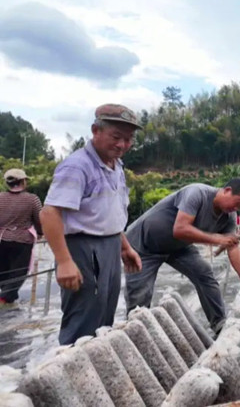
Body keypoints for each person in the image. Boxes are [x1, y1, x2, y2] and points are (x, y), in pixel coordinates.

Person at [40, 104, 143, 345]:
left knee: (105, 313)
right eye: (116, 137)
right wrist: (65, 262)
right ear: (95, 130)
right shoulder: (77, 166)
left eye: (128, 139)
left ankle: (97, 371)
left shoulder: (116, 166)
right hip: (82, 249)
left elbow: (108, 213)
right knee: (83, 318)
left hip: (109, 246)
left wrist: (125, 247)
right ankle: (69, 372)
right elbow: (49, 213)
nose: (122, 145)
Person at [124, 178, 240, 334]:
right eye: (237, 203)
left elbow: (233, 246)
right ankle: (136, 333)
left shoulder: (229, 216)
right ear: (227, 190)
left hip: (178, 247)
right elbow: (180, 229)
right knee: (140, 296)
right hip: (143, 245)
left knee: (204, 273)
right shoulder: (196, 193)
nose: (236, 208)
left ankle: (219, 323)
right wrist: (217, 239)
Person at [0, 169, 43, 305]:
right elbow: (39, 219)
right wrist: (41, 232)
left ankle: (9, 299)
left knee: (3, 271)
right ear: (23, 182)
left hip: (2, 239)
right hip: (22, 241)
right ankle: (5, 299)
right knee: (18, 272)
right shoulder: (32, 199)